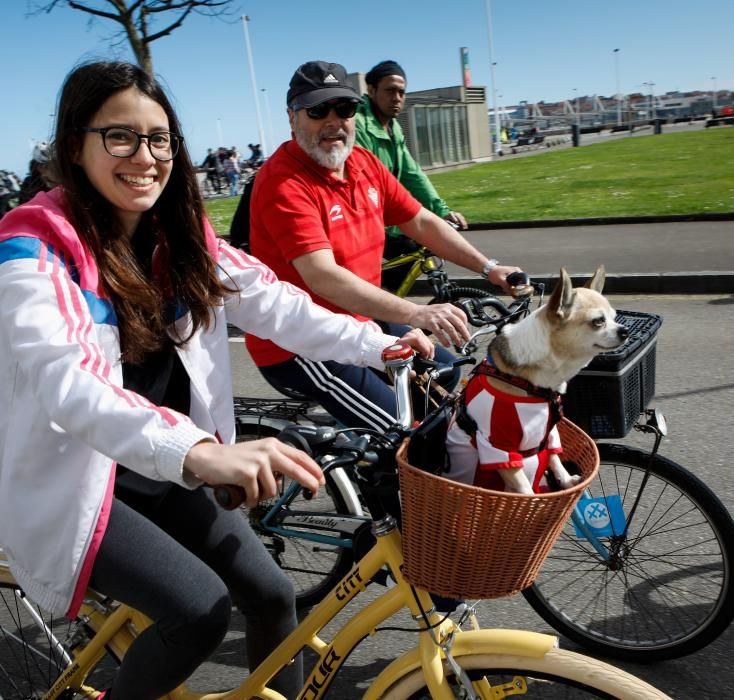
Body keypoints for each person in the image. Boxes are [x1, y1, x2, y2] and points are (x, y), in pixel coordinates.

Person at [0, 60, 430, 700]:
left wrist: (381, 344)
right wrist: (200, 450)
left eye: (159, 139)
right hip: (85, 477)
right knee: (197, 611)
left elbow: (278, 304)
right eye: (120, 136)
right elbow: (72, 386)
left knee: (274, 596)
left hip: (164, 465)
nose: (144, 157)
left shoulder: (180, 237)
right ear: (75, 146)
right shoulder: (36, 244)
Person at [247, 60, 525, 434]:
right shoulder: (284, 182)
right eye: (317, 111)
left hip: (359, 321)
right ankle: (385, 484)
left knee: (451, 387)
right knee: (404, 431)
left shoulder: (364, 163)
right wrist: (416, 314)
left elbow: (422, 221)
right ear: (292, 117)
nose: (333, 121)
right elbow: (323, 277)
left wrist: (489, 267)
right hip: (300, 344)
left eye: (344, 109)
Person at [355, 60, 468, 290]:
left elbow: (411, 173)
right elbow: (370, 183)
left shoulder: (392, 127)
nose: (396, 97)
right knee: (403, 255)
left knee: (417, 251)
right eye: (389, 90)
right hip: (361, 220)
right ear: (371, 90)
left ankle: (382, 303)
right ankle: (374, 309)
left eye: (401, 92)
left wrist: (441, 211)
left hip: (385, 219)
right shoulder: (358, 125)